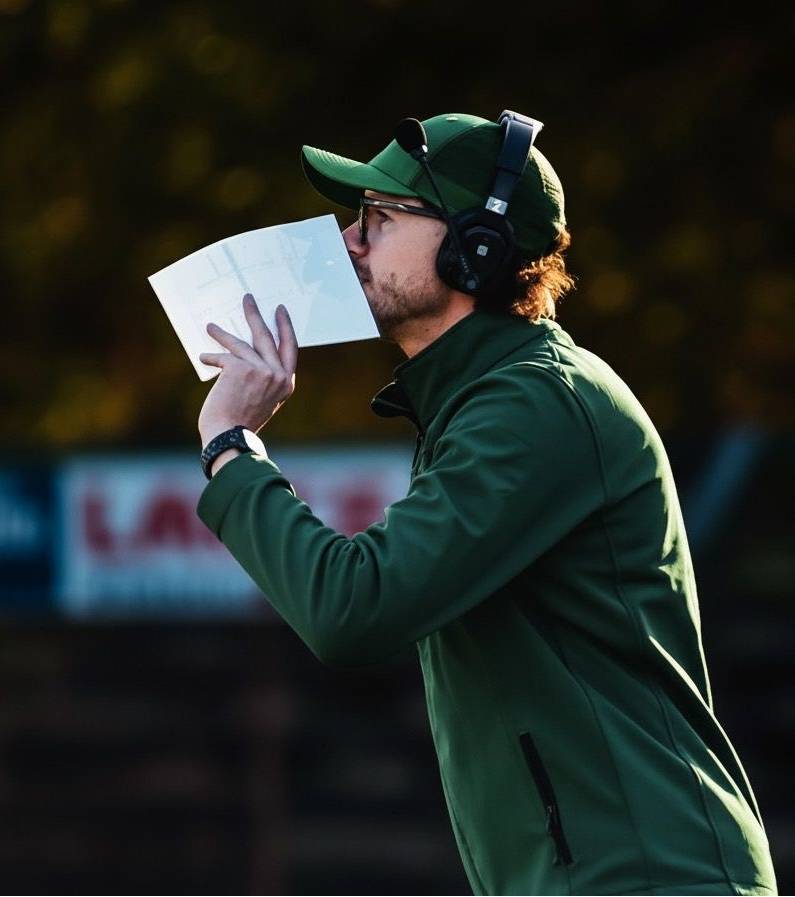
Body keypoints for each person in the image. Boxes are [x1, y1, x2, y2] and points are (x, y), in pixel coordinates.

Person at [194, 112, 778, 896]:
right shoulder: (486, 402)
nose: (349, 241)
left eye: (381, 217)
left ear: (477, 244)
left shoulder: (534, 403)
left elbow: (353, 607)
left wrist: (230, 447)